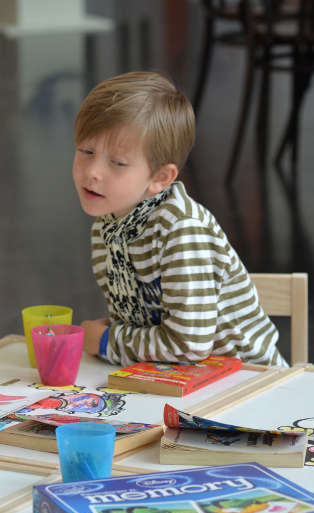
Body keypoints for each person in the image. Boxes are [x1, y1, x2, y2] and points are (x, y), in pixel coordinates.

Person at [73, 71, 284, 367]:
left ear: (160, 178)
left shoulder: (179, 229)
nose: (92, 171)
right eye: (86, 150)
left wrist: (108, 341)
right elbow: (145, 319)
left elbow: (190, 345)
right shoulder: (107, 228)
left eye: (117, 163)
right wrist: (110, 331)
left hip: (247, 383)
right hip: (173, 379)